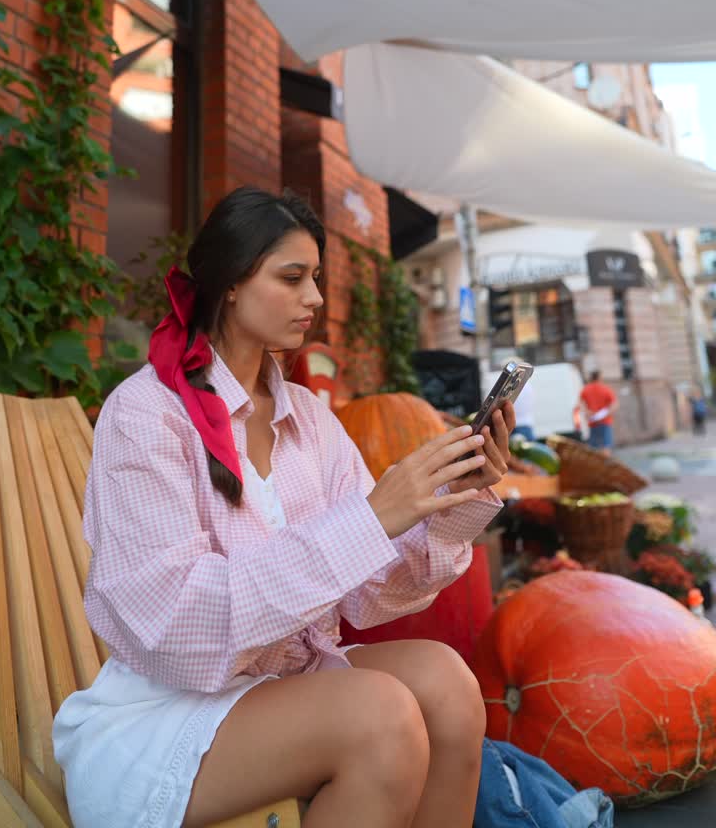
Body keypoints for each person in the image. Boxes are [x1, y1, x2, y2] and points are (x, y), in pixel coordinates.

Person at [53, 186, 514, 828]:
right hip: (168, 712)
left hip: (282, 684)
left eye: (316, 278)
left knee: (447, 682)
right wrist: (372, 517)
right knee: (380, 716)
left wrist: (451, 501)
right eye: (292, 277)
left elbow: (364, 595)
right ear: (230, 284)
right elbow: (174, 627)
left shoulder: (312, 422)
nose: (316, 298)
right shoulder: (147, 415)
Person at [578, 370, 618, 452]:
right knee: (605, 446)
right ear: (599, 377)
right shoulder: (605, 389)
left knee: (594, 448)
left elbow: (580, 404)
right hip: (605, 422)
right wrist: (606, 413)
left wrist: (587, 412)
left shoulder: (586, 389)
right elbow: (614, 404)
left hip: (592, 422)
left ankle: (595, 464)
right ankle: (605, 464)